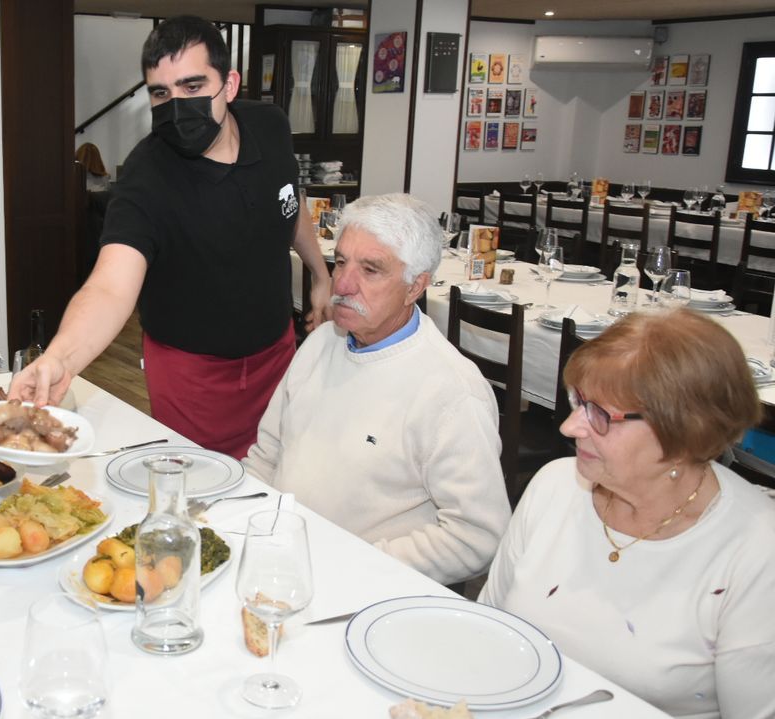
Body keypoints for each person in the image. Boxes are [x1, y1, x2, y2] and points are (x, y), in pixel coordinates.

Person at [10, 16, 333, 459]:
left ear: (230, 84)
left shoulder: (270, 126)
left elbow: (288, 202)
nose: (177, 106)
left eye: (193, 86)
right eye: (162, 93)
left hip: (276, 353)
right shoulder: (148, 176)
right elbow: (109, 286)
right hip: (193, 374)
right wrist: (60, 359)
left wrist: (319, 274)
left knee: (279, 477)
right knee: (204, 492)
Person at [480, 309, 775, 718]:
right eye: (577, 401)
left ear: (683, 431)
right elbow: (487, 631)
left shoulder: (756, 550)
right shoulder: (555, 486)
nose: (569, 427)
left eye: (600, 414)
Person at [243, 193, 509, 585]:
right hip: (280, 561)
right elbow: (266, 456)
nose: (343, 283)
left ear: (415, 286)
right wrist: (247, 527)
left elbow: (477, 537)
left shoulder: (451, 392)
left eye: (371, 270)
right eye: (341, 262)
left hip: (366, 589)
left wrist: (351, 563)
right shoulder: (322, 342)